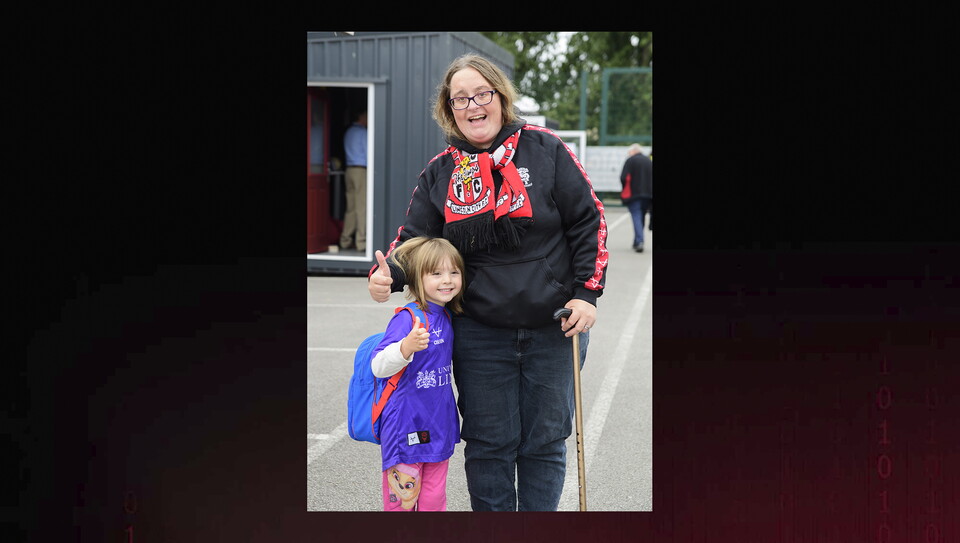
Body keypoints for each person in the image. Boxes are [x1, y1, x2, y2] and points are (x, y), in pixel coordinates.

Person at [368, 53, 608, 511]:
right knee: (489, 445)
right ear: (449, 108)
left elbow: (588, 222)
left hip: (555, 327)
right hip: (479, 332)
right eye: (460, 99)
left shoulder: (546, 149)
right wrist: (389, 275)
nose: (473, 105)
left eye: (482, 94)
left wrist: (586, 295)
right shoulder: (442, 170)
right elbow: (413, 241)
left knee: (543, 443)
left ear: (500, 97)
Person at [370, 236, 465, 511]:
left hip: (438, 424)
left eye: (454, 272)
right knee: (403, 501)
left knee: (434, 499)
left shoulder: (446, 315)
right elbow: (378, 365)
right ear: (416, 278)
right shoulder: (408, 317)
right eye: (436, 273)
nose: (447, 280)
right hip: (406, 426)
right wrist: (404, 348)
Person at [340, 110, 368, 252]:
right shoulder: (363, 133)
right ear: (361, 117)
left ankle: (345, 240)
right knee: (361, 207)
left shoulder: (349, 132)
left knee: (351, 208)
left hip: (349, 170)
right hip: (361, 171)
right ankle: (361, 242)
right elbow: (369, 153)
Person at [619, 143, 653, 252]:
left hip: (634, 194)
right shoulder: (649, 161)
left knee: (636, 216)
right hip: (648, 194)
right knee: (641, 216)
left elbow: (623, 177)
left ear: (633, 151)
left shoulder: (630, 160)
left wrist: (625, 188)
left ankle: (639, 241)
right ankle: (636, 241)